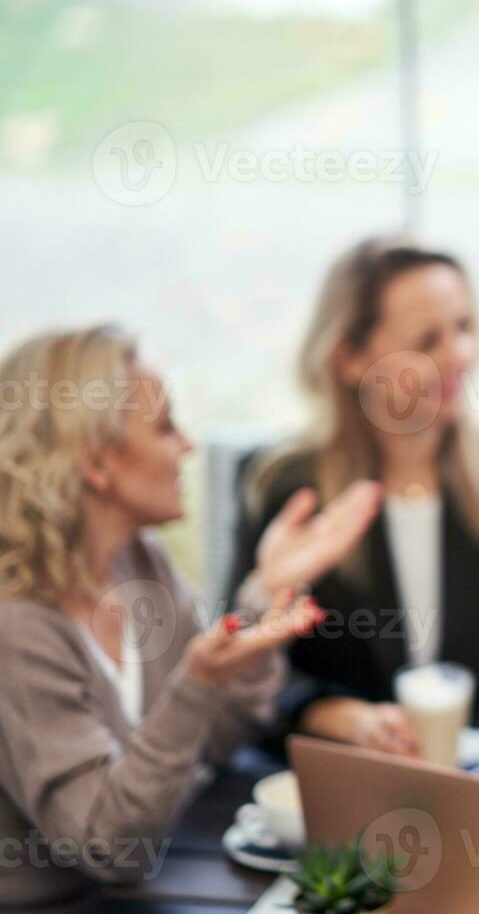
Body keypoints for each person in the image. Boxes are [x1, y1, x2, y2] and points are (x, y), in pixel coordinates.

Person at [0, 325, 379, 910]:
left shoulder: (137, 562)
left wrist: (265, 594)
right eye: (164, 428)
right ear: (97, 464)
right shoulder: (17, 626)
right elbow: (112, 849)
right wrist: (196, 680)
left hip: (148, 888)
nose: (188, 447)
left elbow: (217, 737)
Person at [230, 237, 479, 756]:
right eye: (428, 340)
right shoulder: (287, 491)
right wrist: (330, 716)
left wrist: (454, 740)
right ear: (349, 357)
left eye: (465, 328)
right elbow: (238, 666)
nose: (461, 355)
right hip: (339, 791)